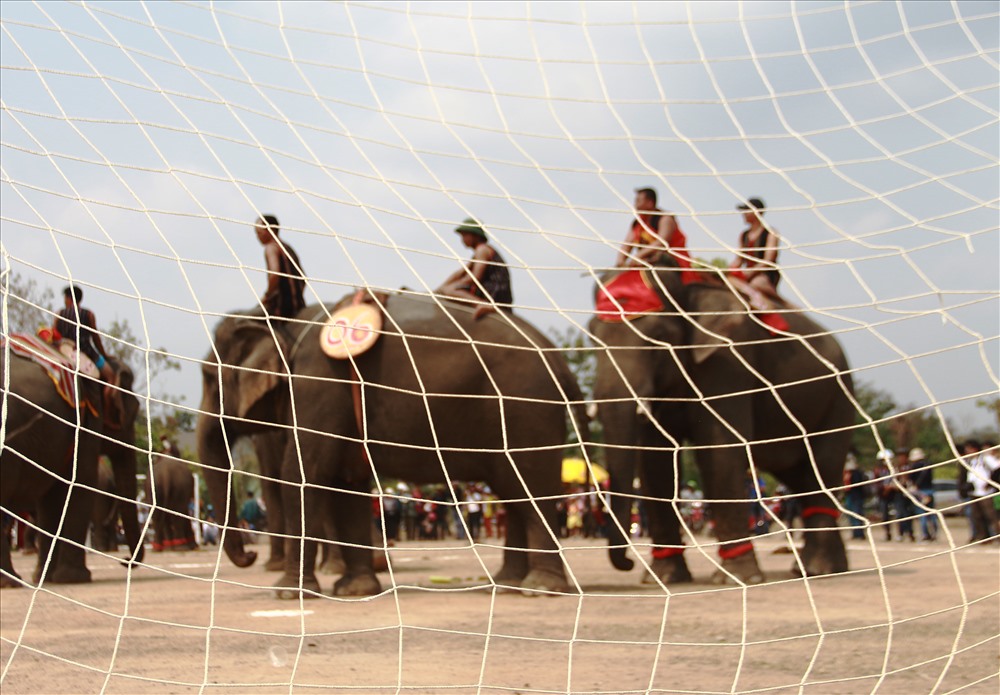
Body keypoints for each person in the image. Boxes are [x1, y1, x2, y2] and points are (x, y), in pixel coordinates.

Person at [53, 285, 120, 416]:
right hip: (86, 353)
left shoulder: (59, 314)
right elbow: (95, 338)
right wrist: (104, 354)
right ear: (79, 299)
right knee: (112, 377)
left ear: (67, 298)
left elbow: (55, 335)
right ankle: (106, 414)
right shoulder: (88, 314)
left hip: (65, 352)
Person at [436, 218, 513, 319]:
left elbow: (474, 277)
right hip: (495, 292)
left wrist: (452, 286)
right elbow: (460, 273)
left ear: (475, 235)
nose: (462, 239)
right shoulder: (478, 253)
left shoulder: (482, 250)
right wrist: (438, 290)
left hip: (495, 293)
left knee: (450, 290)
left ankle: (481, 304)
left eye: (465, 235)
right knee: (446, 289)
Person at [615, 188, 696, 281]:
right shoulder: (637, 223)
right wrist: (620, 262)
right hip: (646, 261)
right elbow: (627, 245)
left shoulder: (665, 218)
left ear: (650, 203)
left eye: (638, 201)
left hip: (672, 261)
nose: (635, 205)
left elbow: (661, 242)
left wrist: (638, 256)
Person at [254, 214, 306, 320]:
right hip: (299, 305)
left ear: (271, 230)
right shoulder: (288, 248)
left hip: (281, 308)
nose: (257, 236)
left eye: (259, 232)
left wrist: (267, 296)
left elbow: (274, 274)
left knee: (240, 322)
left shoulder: (271, 248)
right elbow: (303, 278)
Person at [729, 197, 780, 295]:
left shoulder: (770, 233)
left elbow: (768, 260)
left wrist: (750, 272)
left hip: (765, 274)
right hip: (747, 273)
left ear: (757, 212)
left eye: (747, 211)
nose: (744, 214)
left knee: (755, 284)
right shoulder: (744, 235)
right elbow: (739, 260)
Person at [960, 440, 1000, 543]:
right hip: (974, 493)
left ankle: (997, 536)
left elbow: (997, 468)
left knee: (991, 516)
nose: (967, 451)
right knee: (977, 516)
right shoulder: (970, 461)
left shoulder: (985, 459)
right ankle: (984, 537)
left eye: (969, 449)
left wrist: (990, 482)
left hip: (986, 493)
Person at [907, 448, 937, 542]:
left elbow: (910, 479)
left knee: (922, 514)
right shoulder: (928, 465)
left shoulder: (913, 467)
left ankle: (925, 534)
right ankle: (934, 533)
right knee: (932, 514)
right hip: (930, 491)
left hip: (920, 492)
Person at [892, 448, 916, 542]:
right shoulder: (896, 468)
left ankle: (910, 533)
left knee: (909, 514)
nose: (901, 458)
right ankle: (900, 533)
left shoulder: (910, 467)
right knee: (900, 514)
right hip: (898, 493)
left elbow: (912, 480)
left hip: (908, 493)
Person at [842, 454, 868, 540]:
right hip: (849, 496)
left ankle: (859, 533)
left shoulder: (857, 473)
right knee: (851, 515)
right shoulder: (846, 473)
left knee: (857, 514)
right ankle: (854, 533)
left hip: (856, 497)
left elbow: (858, 485)